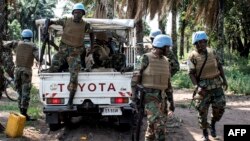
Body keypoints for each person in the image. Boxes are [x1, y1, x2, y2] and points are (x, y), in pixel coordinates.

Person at [46, 3, 94, 109]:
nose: (77, 14)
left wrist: (92, 46)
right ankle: (51, 90)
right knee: (53, 65)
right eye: (76, 12)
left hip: (75, 52)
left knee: (74, 76)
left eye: (80, 13)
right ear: (73, 13)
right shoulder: (66, 20)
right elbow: (53, 21)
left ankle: (70, 101)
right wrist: (48, 23)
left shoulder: (86, 24)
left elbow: (92, 33)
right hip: (63, 49)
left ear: (83, 14)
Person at [187, 31, 228, 141]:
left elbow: (219, 66)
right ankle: (205, 132)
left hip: (216, 86)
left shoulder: (212, 52)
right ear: (196, 43)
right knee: (202, 111)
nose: (205, 43)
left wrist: (224, 80)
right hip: (203, 89)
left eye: (205, 41)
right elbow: (191, 73)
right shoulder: (192, 56)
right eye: (202, 41)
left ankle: (213, 123)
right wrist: (197, 87)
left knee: (220, 108)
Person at [136, 34, 172, 141]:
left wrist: (172, 102)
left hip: (162, 97)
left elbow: (168, 83)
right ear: (161, 46)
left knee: (152, 127)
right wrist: (135, 97)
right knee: (159, 126)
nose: (169, 49)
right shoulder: (146, 58)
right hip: (149, 97)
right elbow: (137, 76)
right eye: (167, 47)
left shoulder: (166, 61)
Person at [149, 29, 180, 116]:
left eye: (153, 39)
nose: (152, 41)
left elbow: (176, 66)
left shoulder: (167, 51)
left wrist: (167, 73)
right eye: (151, 39)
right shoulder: (149, 52)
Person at [15, 29, 40, 121]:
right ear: (30, 37)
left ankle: (21, 112)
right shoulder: (33, 46)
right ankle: (24, 114)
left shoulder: (17, 43)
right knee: (25, 92)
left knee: (19, 92)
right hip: (26, 71)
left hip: (17, 70)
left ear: (22, 36)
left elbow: (4, 44)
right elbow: (38, 58)